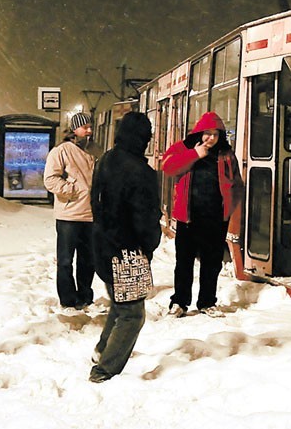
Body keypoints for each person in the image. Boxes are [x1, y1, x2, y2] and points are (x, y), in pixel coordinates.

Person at [89, 111, 161, 382]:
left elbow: (95, 201)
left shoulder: (105, 160)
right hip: (127, 252)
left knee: (121, 305)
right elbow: (146, 219)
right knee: (132, 314)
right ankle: (104, 370)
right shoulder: (141, 172)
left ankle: (102, 350)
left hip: (103, 245)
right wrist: (149, 245)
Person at [162, 111, 243, 318]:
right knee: (184, 262)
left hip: (215, 218)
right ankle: (179, 301)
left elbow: (236, 183)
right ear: (199, 132)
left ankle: (207, 301)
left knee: (211, 263)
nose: (211, 139)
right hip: (187, 217)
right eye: (207, 134)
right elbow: (168, 167)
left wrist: (228, 209)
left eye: (215, 135)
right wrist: (195, 154)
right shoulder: (184, 148)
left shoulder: (226, 154)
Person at [43, 112, 103, 309]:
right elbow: (50, 179)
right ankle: (68, 300)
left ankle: (85, 296)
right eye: (85, 127)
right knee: (66, 261)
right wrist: (74, 190)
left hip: (91, 214)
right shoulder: (60, 151)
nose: (89, 130)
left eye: (90, 126)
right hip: (69, 215)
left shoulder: (96, 150)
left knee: (88, 260)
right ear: (74, 129)